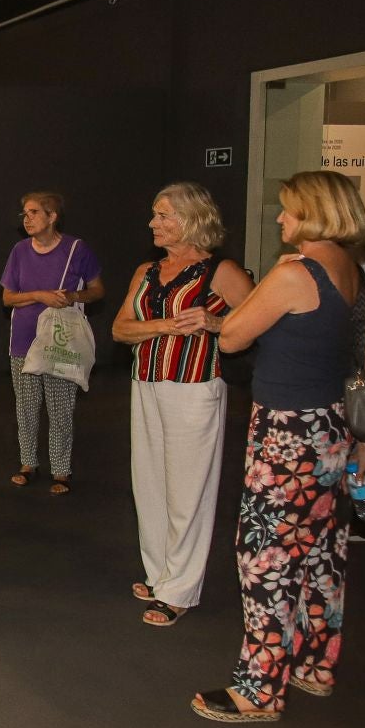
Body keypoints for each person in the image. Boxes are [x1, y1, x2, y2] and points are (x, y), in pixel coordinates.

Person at [193, 171, 365, 723]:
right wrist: (364, 439)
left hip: (288, 432)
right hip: (332, 427)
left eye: (289, 210)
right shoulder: (353, 270)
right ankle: (315, 665)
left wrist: (245, 300)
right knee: (319, 553)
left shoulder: (297, 273)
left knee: (264, 555)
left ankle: (259, 690)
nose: (280, 218)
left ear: (314, 212)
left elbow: (233, 336)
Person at [110, 183, 252, 627]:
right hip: (147, 384)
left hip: (195, 388)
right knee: (149, 483)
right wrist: (166, 325)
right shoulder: (147, 272)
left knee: (189, 490)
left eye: (164, 215)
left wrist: (212, 321)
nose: (153, 223)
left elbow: (257, 325)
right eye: (154, 215)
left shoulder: (220, 271)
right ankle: (159, 575)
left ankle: (180, 590)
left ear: (192, 221)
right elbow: (119, 329)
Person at [0, 192, 104, 494]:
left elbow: (98, 290)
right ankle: (27, 463)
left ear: (52, 216)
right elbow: (7, 298)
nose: (27, 218)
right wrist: (39, 295)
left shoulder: (76, 249)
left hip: (60, 343)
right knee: (26, 406)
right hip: (23, 342)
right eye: (25, 213)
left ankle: (61, 471)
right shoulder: (19, 251)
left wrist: (73, 296)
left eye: (34, 212)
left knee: (60, 407)